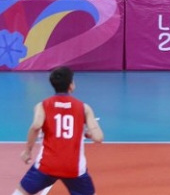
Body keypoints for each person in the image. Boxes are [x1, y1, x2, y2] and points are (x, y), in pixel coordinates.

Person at [11, 66, 104, 195]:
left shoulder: (42, 105)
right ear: (71, 85)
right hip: (74, 168)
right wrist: (88, 133)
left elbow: (36, 126)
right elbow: (98, 138)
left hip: (47, 165)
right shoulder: (84, 108)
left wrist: (27, 151)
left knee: (21, 192)